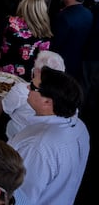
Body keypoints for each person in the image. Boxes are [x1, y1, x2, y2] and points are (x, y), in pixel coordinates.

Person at [9, 67, 89, 205]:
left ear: (47, 102)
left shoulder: (37, 147)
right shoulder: (79, 126)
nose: (27, 88)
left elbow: (19, 198)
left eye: (33, 87)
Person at [2, 50, 65, 140]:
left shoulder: (22, 90)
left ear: (38, 71)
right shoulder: (66, 95)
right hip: (44, 138)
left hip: (16, 135)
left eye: (34, 66)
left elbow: (6, 108)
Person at [52, 0, 93, 82]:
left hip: (61, 62)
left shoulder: (64, 17)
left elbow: (56, 42)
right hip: (77, 61)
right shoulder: (88, 13)